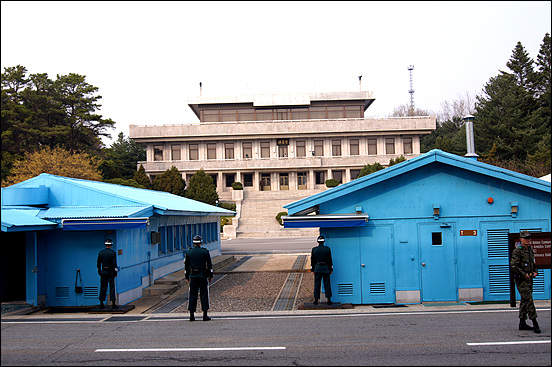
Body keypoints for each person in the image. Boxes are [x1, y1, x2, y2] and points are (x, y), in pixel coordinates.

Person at [510, 230, 540, 333]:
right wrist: (524, 274)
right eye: (525, 238)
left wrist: (535, 272)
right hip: (521, 280)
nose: (528, 240)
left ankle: (522, 323)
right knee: (529, 301)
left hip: (529, 280)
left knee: (524, 301)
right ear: (521, 239)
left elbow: (534, 263)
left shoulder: (530, 250)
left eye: (529, 238)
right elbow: (513, 265)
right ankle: (535, 323)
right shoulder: (518, 251)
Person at [184, 235, 214, 321]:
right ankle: (205, 314)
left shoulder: (189, 252)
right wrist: (210, 275)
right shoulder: (205, 252)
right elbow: (209, 265)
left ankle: (191, 315)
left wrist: (187, 276)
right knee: (204, 294)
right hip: (202, 275)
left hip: (193, 276)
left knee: (193, 295)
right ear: (201, 242)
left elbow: (186, 266)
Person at [311, 235, 333, 305]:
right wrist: (331, 269)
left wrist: (313, 269)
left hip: (317, 268)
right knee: (327, 283)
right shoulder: (327, 249)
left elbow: (312, 260)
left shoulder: (314, 249)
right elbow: (330, 260)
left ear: (318, 242)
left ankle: (316, 300)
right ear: (323, 242)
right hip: (326, 268)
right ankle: (329, 299)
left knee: (317, 284)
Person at [97, 239, 118, 309]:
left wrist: (99, 271)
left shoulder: (101, 253)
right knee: (112, 287)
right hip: (111, 272)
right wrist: (115, 272)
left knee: (103, 287)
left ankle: (101, 303)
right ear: (111, 245)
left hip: (103, 272)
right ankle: (113, 303)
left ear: (105, 245)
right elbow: (114, 264)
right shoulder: (113, 253)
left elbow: (98, 263)